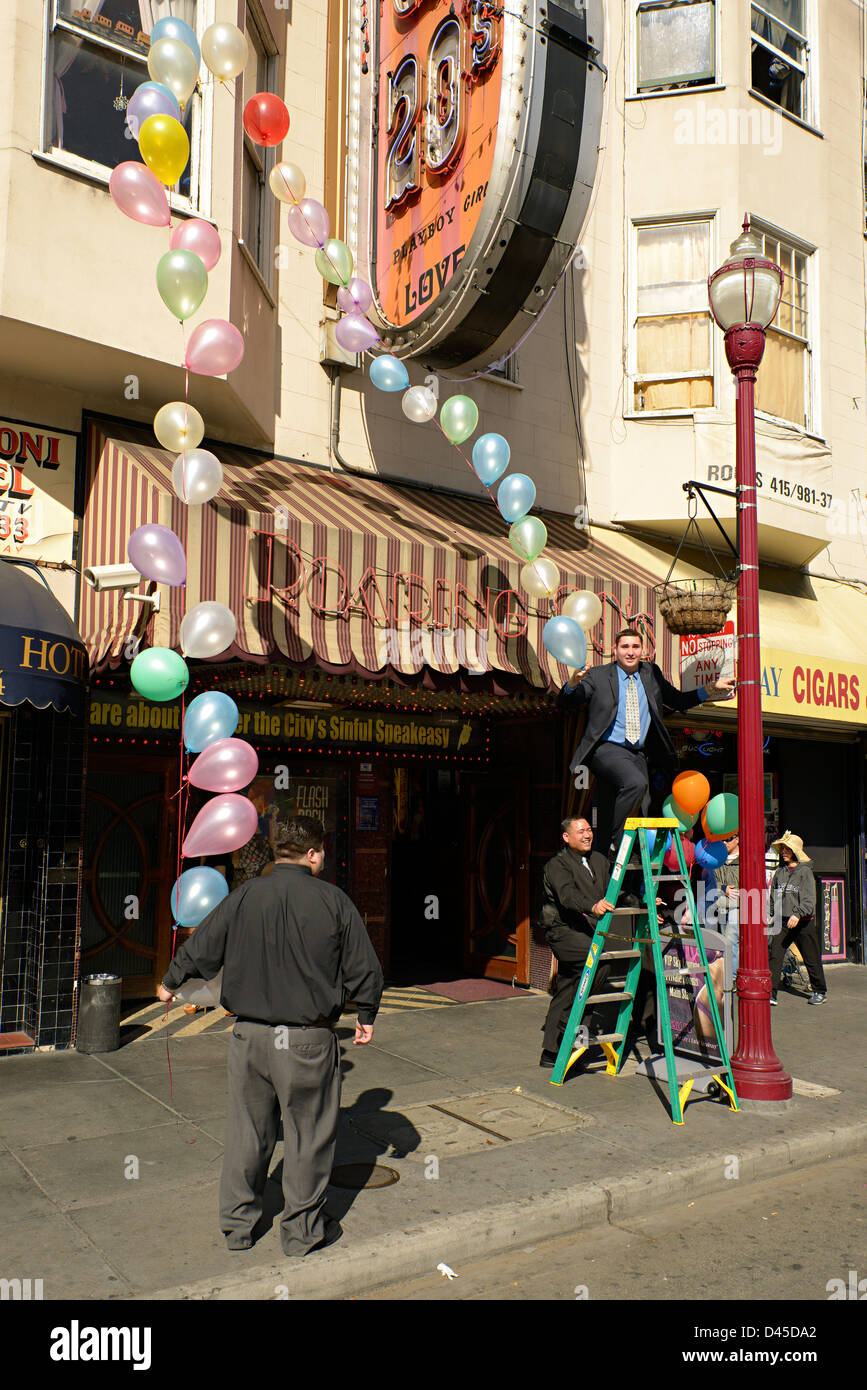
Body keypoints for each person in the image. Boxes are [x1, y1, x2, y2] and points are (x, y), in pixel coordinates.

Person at [157, 816, 384, 1256]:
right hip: (307, 1041)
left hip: (249, 1038)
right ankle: (301, 1233)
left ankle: (238, 1228)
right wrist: (367, 1014)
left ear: (279, 850)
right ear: (313, 853)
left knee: (247, 1131)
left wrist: (170, 981)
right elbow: (364, 969)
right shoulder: (334, 901)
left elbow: (203, 944)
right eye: (322, 854)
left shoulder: (245, 896)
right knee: (309, 1135)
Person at [558, 629, 735, 860]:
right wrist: (572, 683)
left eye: (635, 647)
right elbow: (567, 701)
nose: (630, 652)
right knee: (636, 783)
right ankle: (614, 838)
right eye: (625, 647)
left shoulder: (651, 673)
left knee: (639, 804)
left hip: (637, 754)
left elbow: (677, 699)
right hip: (606, 749)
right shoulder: (600, 675)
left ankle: (607, 858)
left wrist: (711, 688)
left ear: (643, 650)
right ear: (615, 650)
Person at [539, 816, 615, 1067]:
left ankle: (552, 1050)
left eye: (589, 830)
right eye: (580, 831)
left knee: (571, 983)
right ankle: (567, 1024)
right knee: (598, 962)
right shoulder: (557, 865)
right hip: (562, 930)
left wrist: (647, 903)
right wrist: (591, 906)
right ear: (566, 837)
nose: (587, 835)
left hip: (586, 929)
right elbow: (568, 894)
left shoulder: (599, 860)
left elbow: (615, 891)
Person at [768, 830, 826, 1006]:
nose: (784, 852)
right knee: (775, 955)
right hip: (783, 921)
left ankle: (820, 991)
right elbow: (774, 897)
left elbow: (809, 900)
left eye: (787, 849)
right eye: (783, 849)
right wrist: (771, 914)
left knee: (811, 957)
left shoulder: (805, 872)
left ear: (795, 851)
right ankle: (770, 993)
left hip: (803, 922)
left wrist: (798, 914)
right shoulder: (780, 872)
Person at [713, 832, 740, 974]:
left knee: (731, 940)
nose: (724, 842)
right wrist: (723, 888)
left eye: (728, 839)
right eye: (722, 839)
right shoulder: (719, 859)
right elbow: (712, 881)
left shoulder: (744, 860)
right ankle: (726, 974)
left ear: (737, 840)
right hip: (721, 905)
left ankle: (733, 975)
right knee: (723, 941)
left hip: (738, 906)